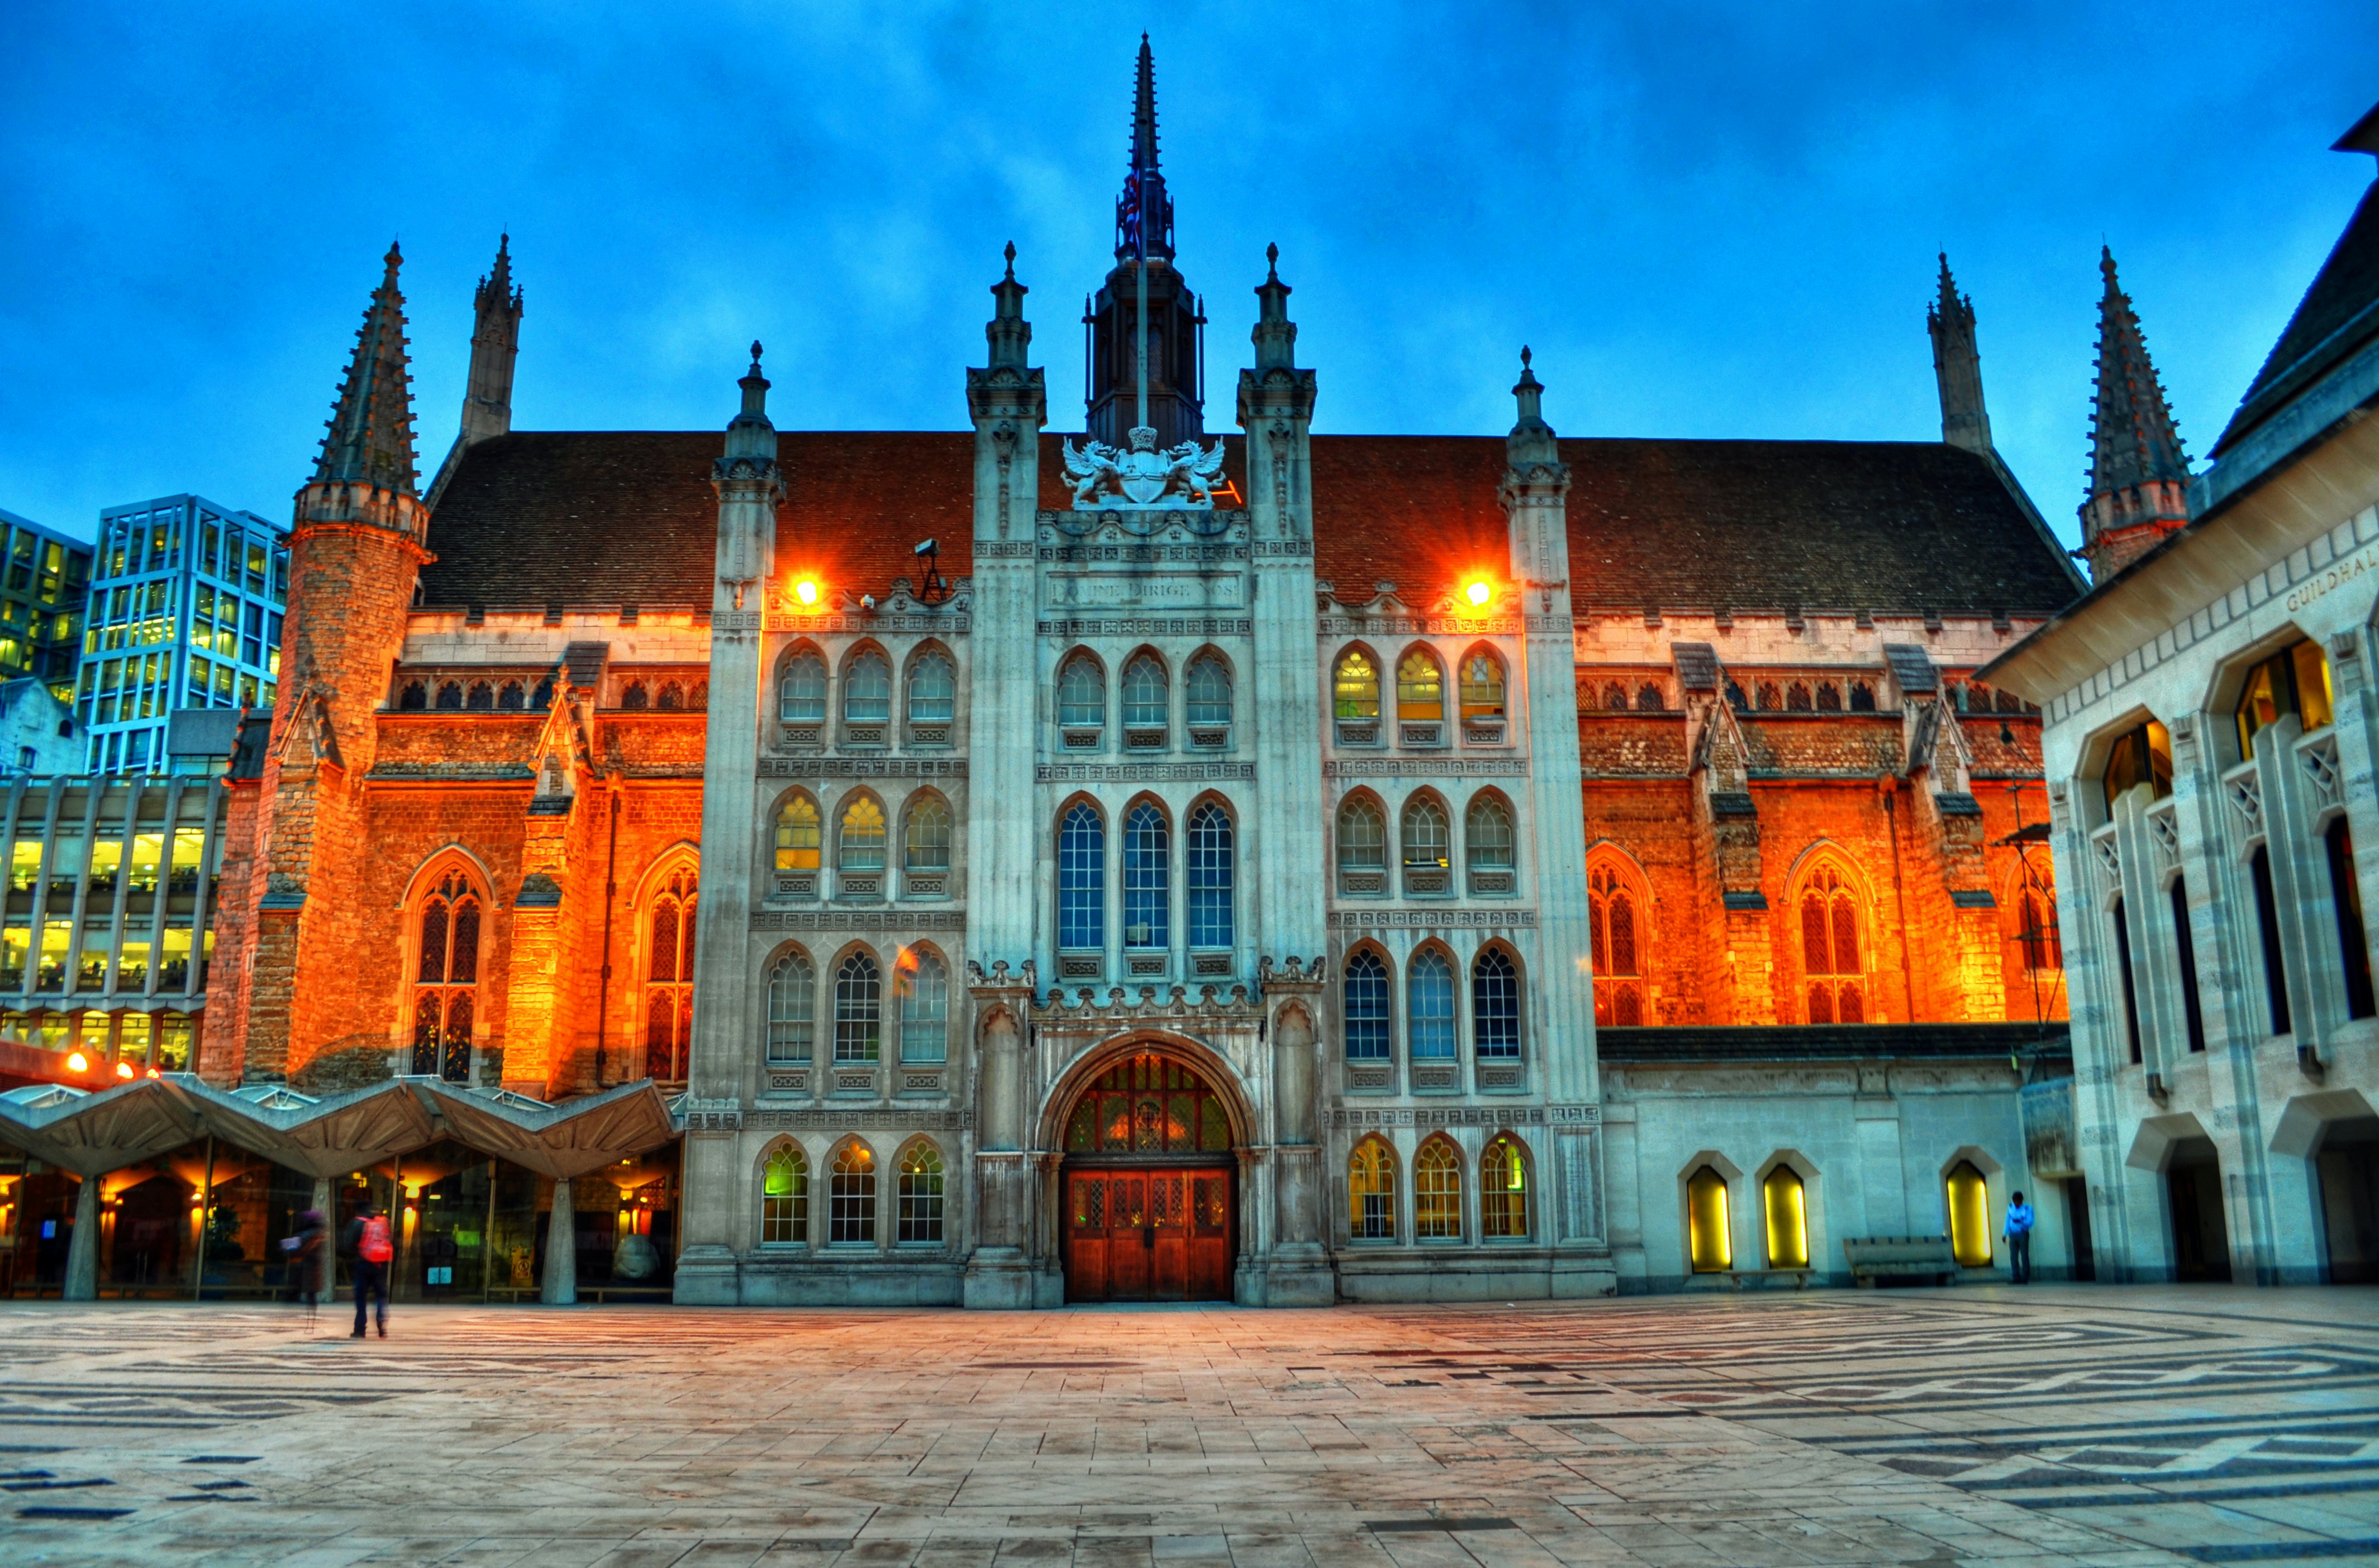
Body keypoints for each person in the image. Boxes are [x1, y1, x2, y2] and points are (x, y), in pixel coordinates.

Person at [342, 1201, 394, 1338]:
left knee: (361, 1298)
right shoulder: (382, 1222)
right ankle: (382, 1324)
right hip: (381, 1264)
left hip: (362, 1264)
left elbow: (347, 1244)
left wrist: (354, 1255)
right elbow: (389, 1239)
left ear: (358, 1210)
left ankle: (360, 1329)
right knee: (381, 1295)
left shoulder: (357, 1223)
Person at [280, 1209, 327, 1326]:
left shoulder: (307, 1233)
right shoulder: (318, 1233)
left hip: (304, 1267)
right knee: (311, 1294)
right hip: (313, 1267)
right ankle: (311, 1319)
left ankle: (308, 1319)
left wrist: (285, 1246)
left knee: (300, 1290)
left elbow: (295, 1247)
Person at [2005, 1190, 2035, 1284]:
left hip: (2023, 1233)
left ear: (2021, 1200)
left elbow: (2030, 1222)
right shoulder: (2011, 1208)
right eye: (2014, 1201)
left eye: (2017, 1201)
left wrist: (2021, 1221)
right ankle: (2016, 1277)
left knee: (2024, 1256)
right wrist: (2005, 1233)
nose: (2016, 1203)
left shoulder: (2027, 1208)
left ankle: (2025, 1277)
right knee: (2013, 1257)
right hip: (2013, 1234)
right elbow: (2008, 1221)